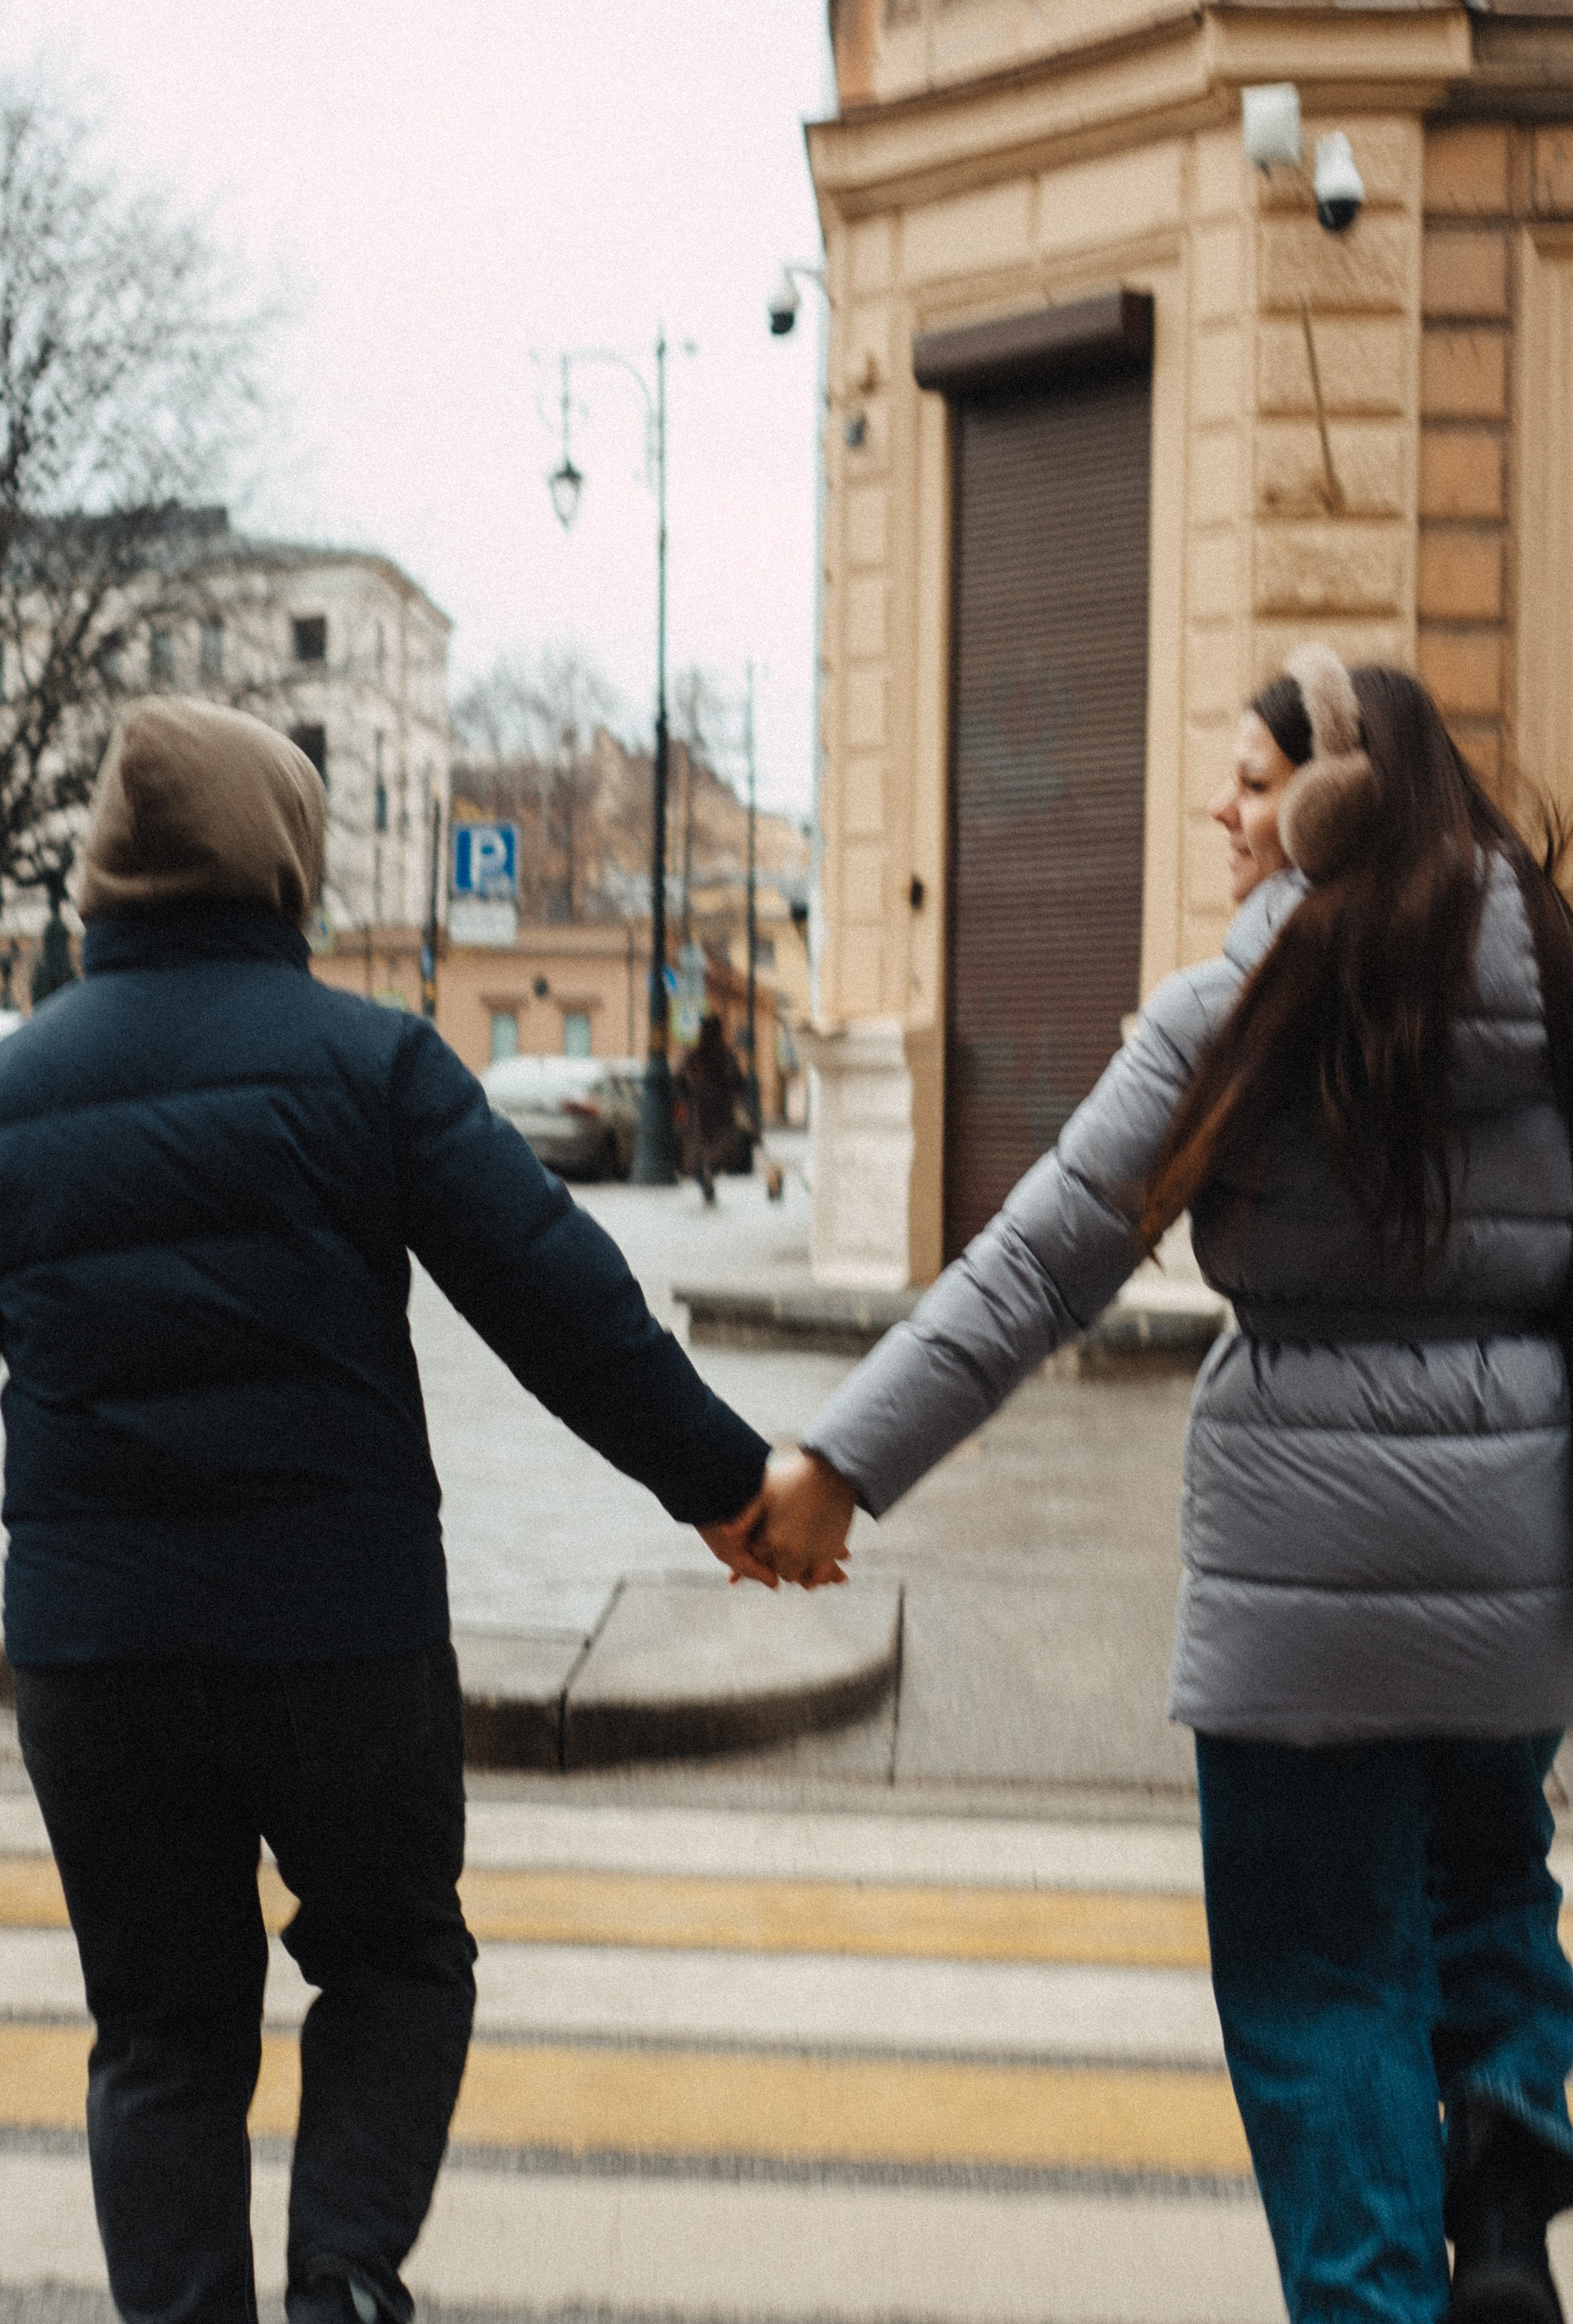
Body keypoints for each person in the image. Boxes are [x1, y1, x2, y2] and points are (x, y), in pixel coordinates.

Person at [752, 648, 1573, 2324]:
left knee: (1323, 1980)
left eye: (1258, 781)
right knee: (1494, 1873)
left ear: (1338, 808)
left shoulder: (1243, 1008)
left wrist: (842, 1465)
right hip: (1519, 1548)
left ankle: (1376, 2299)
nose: (1223, 806)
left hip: (1301, 1580)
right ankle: (1505, 2164)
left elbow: (1040, 1263)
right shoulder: (1560, 986)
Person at [0, 698, 774, 2324]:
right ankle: (343, 2281)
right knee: (397, 1959)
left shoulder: (19, 1088)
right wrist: (730, 1492)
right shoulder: (369, 1062)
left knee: (159, 2026)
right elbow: (561, 1298)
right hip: (335, 1635)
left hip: (96, 1649)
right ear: (282, 864)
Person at [675, 1010, 752, 1203]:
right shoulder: (725, 1055)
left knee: (699, 1148)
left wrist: (687, 1095)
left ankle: (705, 1176)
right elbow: (737, 1082)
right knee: (719, 1148)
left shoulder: (695, 1055)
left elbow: (678, 1079)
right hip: (721, 1109)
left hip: (699, 1109)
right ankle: (710, 1171)